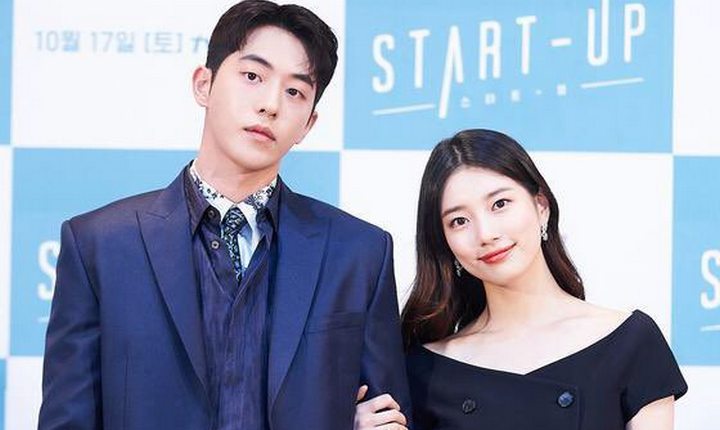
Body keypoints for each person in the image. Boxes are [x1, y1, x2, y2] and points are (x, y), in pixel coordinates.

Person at [38, 1, 411, 429]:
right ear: (204, 84)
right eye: (253, 76)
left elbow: (390, 414)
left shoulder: (359, 253)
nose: (270, 104)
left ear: (308, 124)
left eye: (294, 92)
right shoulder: (99, 245)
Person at [354, 129, 687, 430]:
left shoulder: (628, 341)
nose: (485, 234)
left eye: (500, 204)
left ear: (541, 206)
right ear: (444, 242)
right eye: (459, 221)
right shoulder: (424, 370)